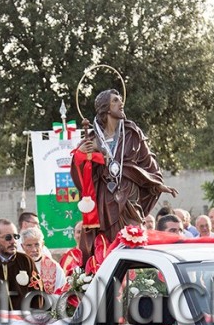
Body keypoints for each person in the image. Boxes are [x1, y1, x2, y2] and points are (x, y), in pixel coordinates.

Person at [71, 89, 178, 268]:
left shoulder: (133, 133)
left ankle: (139, 278)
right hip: (105, 199)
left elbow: (149, 165)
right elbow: (82, 176)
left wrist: (157, 183)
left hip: (130, 198)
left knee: (134, 238)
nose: (121, 104)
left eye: (120, 100)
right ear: (105, 108)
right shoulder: (92, 139)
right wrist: (82, 156)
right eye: (115, 101)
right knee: (109, 244)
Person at [21, 226, 66, 294]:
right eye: (29, 245)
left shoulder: (55, 267)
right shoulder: (18, 265)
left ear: (42, 244)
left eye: (37, 245)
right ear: (22, 247)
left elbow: (62, 293)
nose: (34, 250)